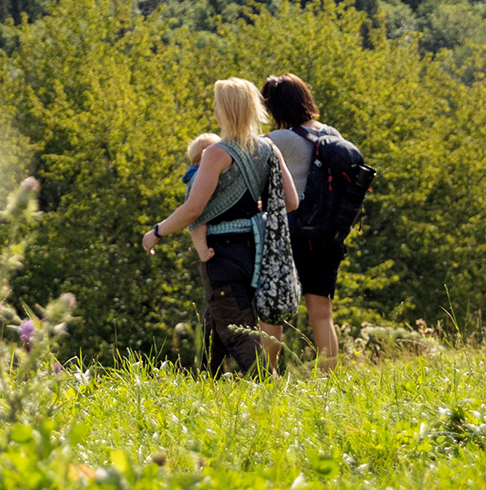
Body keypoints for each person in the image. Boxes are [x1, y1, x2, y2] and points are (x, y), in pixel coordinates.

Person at [144, 75, 299, 375]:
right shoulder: (268, 150)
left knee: (236, 327)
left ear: (224, 110)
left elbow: (194, 209)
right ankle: (207, 379)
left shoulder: (216, 153)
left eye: (217, 104)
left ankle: (269, 384)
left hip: (222, 254)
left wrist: (157, 231)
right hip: (256, 249)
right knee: (218, 316)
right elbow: (290, 201)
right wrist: (255, 207)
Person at [262, 73, 357, 369]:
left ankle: (265, 376)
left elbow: (240, 154)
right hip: (328, 236)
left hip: (291, 233)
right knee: (321, 313)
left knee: (272, 308)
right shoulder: (332, 134)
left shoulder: (281, 139)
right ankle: (329, 381)